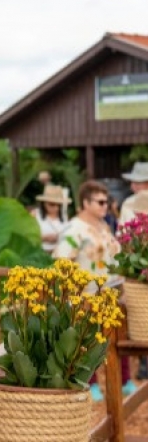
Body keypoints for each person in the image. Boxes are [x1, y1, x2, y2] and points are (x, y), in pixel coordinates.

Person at [53, 180, 136, 401]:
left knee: (116, 337)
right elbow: (63, 261)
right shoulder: (73, 229)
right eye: (100, 202)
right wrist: (71, 295)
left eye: (106, 201)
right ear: (85, 202)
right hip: (86, 295)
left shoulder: (105, 226)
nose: (105, 206)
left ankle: (124, 381)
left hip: (111, 292)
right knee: (87, 341)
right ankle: (90, 384)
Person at [119, 161, 148, 380]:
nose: (132, 187)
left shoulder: (129, 204)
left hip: (136, 265)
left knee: (140, 315)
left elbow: (124, 237)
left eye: (134, 183)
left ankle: (145, 365)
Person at [34, 184, 70, 253]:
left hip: (59, 253)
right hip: (40, 252)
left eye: (59, 205)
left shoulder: (65, 216)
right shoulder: (35, 214)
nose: (56, 208)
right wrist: (44, 238)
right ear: (44, 203)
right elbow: (28, 236)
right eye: (52, 204)